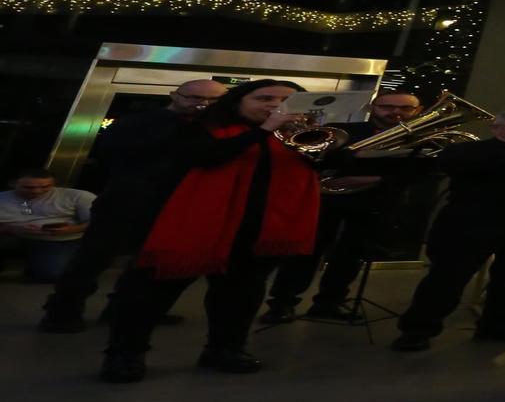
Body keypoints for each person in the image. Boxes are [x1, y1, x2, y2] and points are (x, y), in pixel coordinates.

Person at [99, 80, 324, 383]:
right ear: (238, 102)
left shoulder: (293, 136)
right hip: (191, 224)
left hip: (255, 230)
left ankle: (225, 349)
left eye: (285, 99)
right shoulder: (199, 125)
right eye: (265, 98)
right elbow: (206, 155)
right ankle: (125, 354)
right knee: (149, 294)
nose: (275, 104)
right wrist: (263, 130)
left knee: (240, 295)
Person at [39, 78, 227, 331]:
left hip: (170, 203)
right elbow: (117, 153)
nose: (203, 104)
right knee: (93, 259)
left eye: (213, 100)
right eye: (194, 98)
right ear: (174, 95)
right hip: (126, 200)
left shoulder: (207, 127)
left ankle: (121, 309)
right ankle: (62, 311)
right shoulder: (141, 123)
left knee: (144, 264)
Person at [262, 91, 427, 324]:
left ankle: (329, 302)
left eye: (405, 108)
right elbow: (311, 158)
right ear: (372, 108)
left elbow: (424, 172)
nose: (395, 112)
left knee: (352, 255)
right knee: (306, 252)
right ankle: (282, 303)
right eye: (387, 107)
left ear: (418, 111)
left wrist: (373, 180)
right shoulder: (342, 130)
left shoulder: (423, 137)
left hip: (377, 201)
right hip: (327, 198)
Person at [390, 109, 505, 352]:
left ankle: (499, 324)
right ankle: (417, 330)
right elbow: (463, 164)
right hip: (470, 225)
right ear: (496, 129)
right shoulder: (470, 150)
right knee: (447, 279)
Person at [0, 171, 94, 282]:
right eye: (28, 187)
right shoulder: (2, 198)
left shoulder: (78, 196)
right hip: (12, 236)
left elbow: (98, 222)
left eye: (45, 187)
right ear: (13, 184)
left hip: (59, 239)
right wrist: (11, 229)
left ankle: (40, 266)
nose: (37, 191)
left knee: (52, 275)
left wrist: (71, 229)